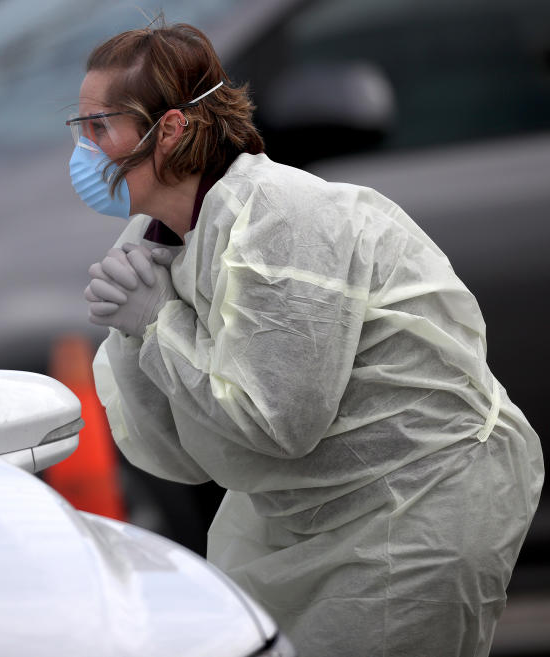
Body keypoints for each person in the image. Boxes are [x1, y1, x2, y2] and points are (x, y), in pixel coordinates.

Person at [67, 21, 544, 657]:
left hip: (416, 501)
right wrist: (133, 336)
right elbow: (176, 454)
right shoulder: (154, 242)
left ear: (172, 129)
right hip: (300, 518)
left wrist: (156, 324)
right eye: (81, 128)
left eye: (100, 127)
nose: (85, 149)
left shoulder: (285, 219)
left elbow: (276, 419)